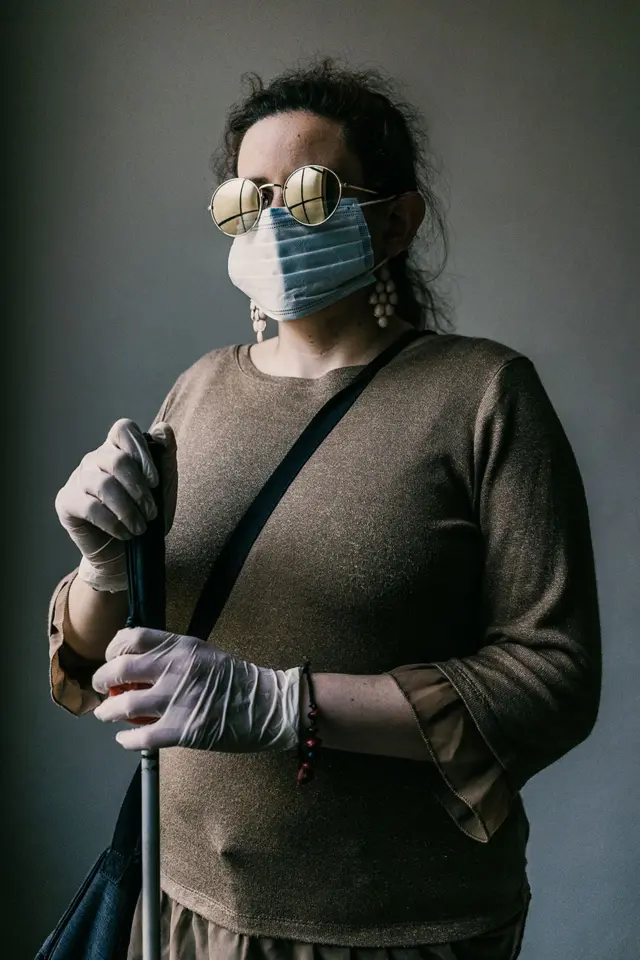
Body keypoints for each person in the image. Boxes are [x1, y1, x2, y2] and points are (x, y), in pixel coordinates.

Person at [48, 59, 601, 960]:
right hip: (180, 905)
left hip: (393, 931)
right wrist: (101, 567)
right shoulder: (197, 392)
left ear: (396, 220)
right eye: (245, 199)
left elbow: (557, 680)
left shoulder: (483, 394)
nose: (268, 222)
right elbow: (89, 664)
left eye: (306, 192)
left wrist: (280, 704)